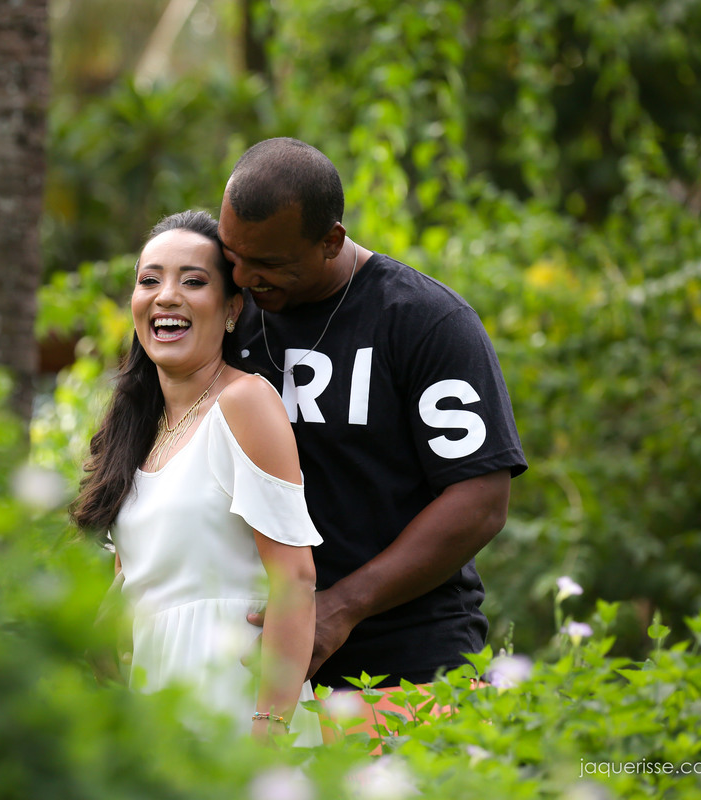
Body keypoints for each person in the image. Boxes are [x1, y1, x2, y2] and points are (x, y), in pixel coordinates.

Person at [217, 138, 528, 704]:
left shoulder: (424, 322)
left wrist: (341, 608)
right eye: (232, 253)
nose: (242, 277)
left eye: (269, 265)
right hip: (252, 658)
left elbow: (481, 499)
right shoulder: (224, 315)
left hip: (406, 660)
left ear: (331, 241)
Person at [72, 210, 323, 745]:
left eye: (192, 281)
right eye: (150, 280)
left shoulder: (245, 402)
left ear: (232, 309)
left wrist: (271, 732)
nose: (166, 296)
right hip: (156, 712)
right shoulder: (136, 432)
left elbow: (295, 581)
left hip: (240, 706)